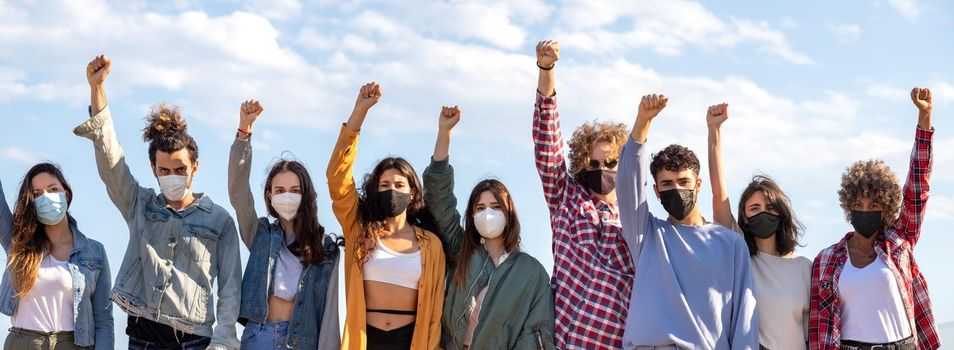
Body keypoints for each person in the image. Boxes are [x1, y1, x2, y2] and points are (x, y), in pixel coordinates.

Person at [73, 54, 241, 349]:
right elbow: (112, 165)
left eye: (180, 169)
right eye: (164, 170)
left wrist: (223, 341)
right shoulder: (140, 205)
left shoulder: (220, 221)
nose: (172, 176)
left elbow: (230, 289)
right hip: (143, 337)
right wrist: (97, 89)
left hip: (194, 341)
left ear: (195, 167)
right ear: (154, 169)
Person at [617, 94, 758, 349]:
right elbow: (628, 182)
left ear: (698, 185)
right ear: (657, 191)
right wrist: (642, 122)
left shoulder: (731, 244)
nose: (676, 189)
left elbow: (744, 321)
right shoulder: (647, 235)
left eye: (684, 182)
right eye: (667, 184)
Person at [809, 87, 940, 350]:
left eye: (874, 204)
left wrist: (924, 119)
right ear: (848, 205)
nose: (865, 210)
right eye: (858, 204)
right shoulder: (826, 261)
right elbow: (818, 330)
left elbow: (917, 188)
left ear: (887, 208)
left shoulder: (899, 241)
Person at [422, 106, 555, 349]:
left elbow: (537, 333)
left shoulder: (531, 272)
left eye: (495, 206)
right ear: (471, 216)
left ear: (509, 213)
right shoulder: (461, 251)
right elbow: (439, 199)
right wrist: (444, 133)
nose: (488, 214)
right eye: (480, 208)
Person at [532, 39, 635, 349]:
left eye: (611, 162)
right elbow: (547, 147)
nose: (602, 168)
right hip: (565, 340)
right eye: (593, 162)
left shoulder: (638, 218)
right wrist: (546, 70)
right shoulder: (566, 199)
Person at [326, 82, 445, 349]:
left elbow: (435, 313)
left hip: (410, 340)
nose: (392, 190)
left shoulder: (431, 245)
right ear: (374, 190)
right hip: (365, 338)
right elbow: (337, 179)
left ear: (413, 192)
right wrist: (359, 114)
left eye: (400, 185)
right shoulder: (359, 229)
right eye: (384, 185)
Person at [227, 100, 341, 349]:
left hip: (301, 342)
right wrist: (244, 132)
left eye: (294, 190)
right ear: (269, 195)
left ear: (306, 195)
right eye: (279, 190)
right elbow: (238, 194)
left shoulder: (326, 247)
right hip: (259, 336)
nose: (286, 196)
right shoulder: (260, 234)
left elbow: (330, 311)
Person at [707, 103, 812, 349]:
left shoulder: (805, 268)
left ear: (781, 213)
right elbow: (719, 193)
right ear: (743, 217)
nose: (763, 213)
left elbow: (812, 333)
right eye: (754, 209)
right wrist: (714, 131)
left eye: (769, 207)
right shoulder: (740, 257)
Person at [1, 164, 113, 349]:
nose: (46, 197)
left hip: (73, 344)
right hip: (23, 343)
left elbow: (103, 319)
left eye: (53, 189)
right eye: (37, 194)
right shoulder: (18, 244)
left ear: (66, 193)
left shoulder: (94, 251)